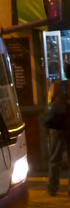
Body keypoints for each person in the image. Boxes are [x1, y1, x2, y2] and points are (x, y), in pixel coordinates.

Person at [46, 58, 70, 196]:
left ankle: (52, 187)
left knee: (55, 157)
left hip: (57, 127)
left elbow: (49, 103)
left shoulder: (56, 85)